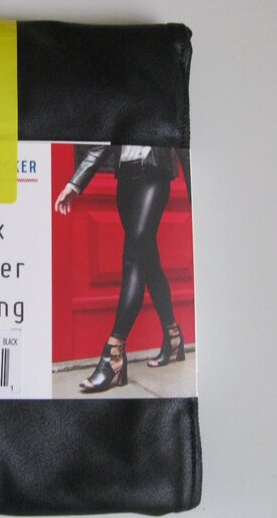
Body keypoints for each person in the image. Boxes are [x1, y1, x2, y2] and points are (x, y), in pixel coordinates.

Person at [54, 145, 191, 393]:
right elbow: (105, 142)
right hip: (126, 180)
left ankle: (114, 355)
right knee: (148, 261)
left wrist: (197, 197)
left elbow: (183, 147)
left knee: (133, 259)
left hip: (154, 178)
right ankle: (173, 337)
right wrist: (75, 183)